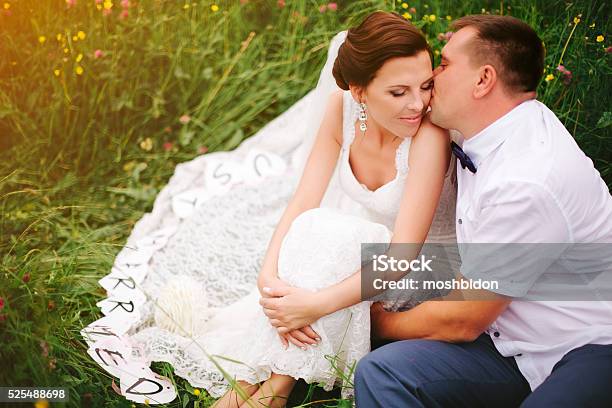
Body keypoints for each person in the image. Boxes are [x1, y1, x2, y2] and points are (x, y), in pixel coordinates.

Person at [122, 11, 457, 408]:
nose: (418, 104)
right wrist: (269, 277)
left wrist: (314, 304)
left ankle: (273, 388)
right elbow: (302, 202)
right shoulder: (342, 109)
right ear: (359, 91)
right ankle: (256, 385)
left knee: (340, 238)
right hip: (366, 258)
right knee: (318, 228)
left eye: (425, 86)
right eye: (398, 92)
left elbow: (403, 255)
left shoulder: (430, 136)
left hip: (425, 268)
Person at [354, 14, 612, 408]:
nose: (432, 77)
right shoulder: (492, 131)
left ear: (483, 80)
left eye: (444, 64)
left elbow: (463, 318)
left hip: (585, 345)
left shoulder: (528, 178)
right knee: (383, 371)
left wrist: (373, 322)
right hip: (505, 342)